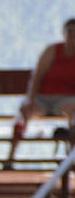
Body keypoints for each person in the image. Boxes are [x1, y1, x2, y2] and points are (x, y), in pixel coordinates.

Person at [5, 18, 75, 168]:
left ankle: (72, 156)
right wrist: (29, 99)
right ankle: (11, 157)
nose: (72, 36)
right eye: (70, 31)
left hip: (66, 101)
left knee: (74, 112)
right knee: (23, 112)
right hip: (42, 98)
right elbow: (37, 76)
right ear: (64, 34)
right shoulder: (52, 51)